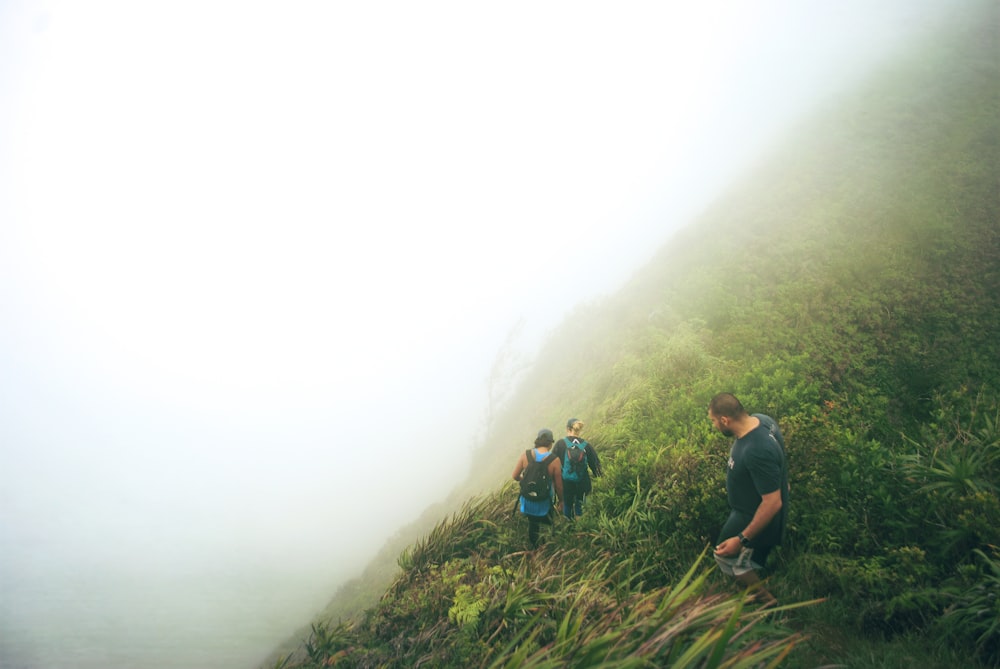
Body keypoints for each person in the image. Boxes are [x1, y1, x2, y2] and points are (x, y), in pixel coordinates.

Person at [708, 393, 789, 607]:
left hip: (754, 515)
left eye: (714, 421)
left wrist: (742, 539)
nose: (714, 426)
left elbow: (772, 503)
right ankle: (749, 588)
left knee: (727, 558)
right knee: (728, 557)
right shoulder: (763, 420)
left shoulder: (757, 449)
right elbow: (778, 460)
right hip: (745, 509)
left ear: (725, 420)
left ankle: (768, 604)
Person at [512, 428, 564, 548]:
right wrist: (561, 501)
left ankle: (535, 548)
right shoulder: (554, 460)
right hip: (544, 501)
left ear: (538, 441)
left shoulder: (526, 455)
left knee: (533, 525)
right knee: (548, 525)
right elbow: (559, 486)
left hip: (527, 501)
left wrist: (524, 480)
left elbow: (515, 476)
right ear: (550, 443)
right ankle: (549, 548)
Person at [552, 418, 603, 520]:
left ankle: (568, 525)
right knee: (582, 505)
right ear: (579, 430)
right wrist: (602, 481)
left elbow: (552, 464)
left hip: (566, 483)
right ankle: (582, 525)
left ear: (567, 429)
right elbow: (596, 466)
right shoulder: (586, 445)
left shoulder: (560, 444)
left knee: (567, 504)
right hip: (583, 482)